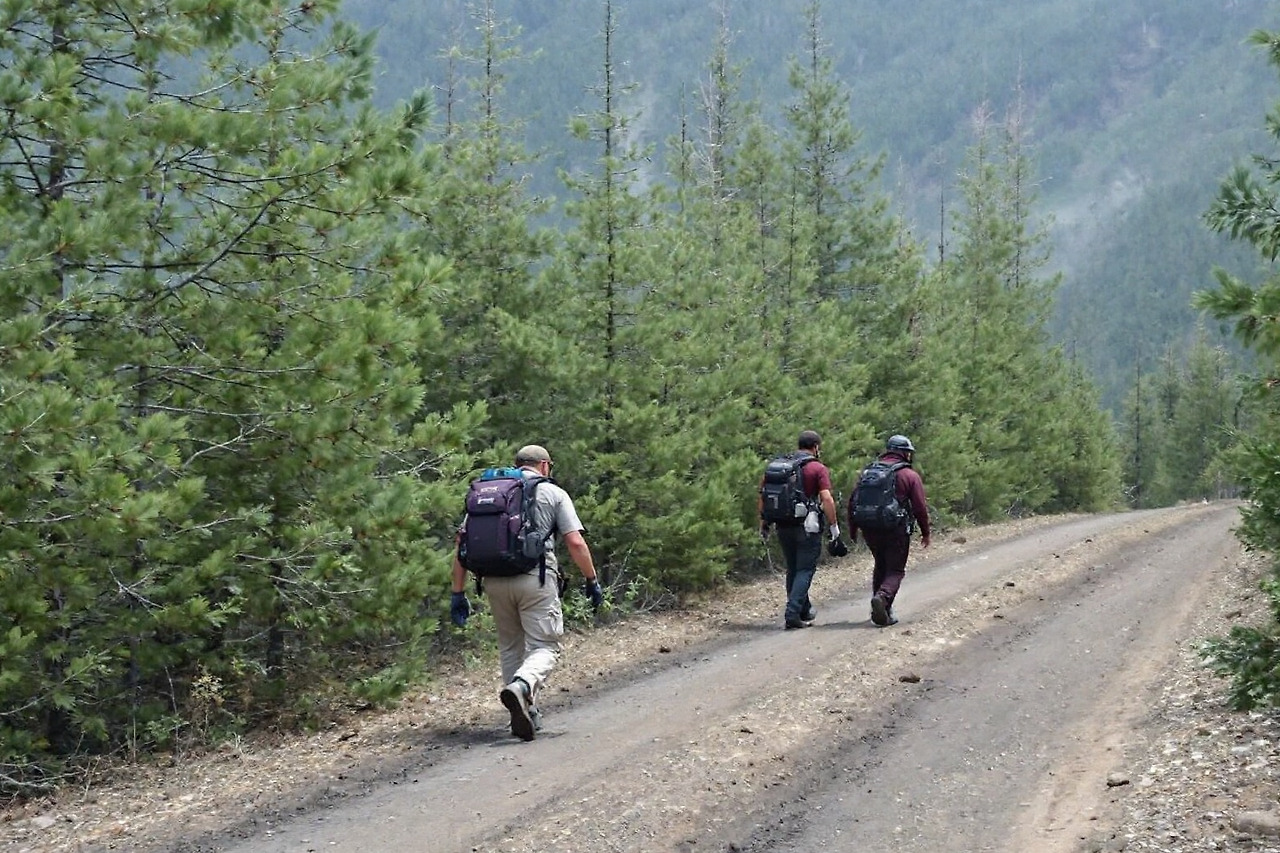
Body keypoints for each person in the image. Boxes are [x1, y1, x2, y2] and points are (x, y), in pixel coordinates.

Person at [449, 444, 603, 741]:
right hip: (535, 579)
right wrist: (591, 580)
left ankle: (525, 713)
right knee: (546, 646)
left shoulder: (488, 493)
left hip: (493, 581)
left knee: (510, 647)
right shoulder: (552, 493)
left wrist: (458, 592)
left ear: (517, 463)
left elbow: (461, 546)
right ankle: (523, 686)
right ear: (544, 465)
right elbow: (575, 542)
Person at [759, 430, 840, 630]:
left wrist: (764, 522)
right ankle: (792, 613)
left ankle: (802, 610)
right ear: (816, 447)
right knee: (805, 570)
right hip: (807, 526)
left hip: (782, 525)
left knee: (793, 569)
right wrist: (834, 526)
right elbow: (827, 499)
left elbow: (763, 494)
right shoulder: (816, 468)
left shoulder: (780, 466)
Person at [848, 434, 931, 627]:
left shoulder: (868, 472)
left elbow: (853, 501)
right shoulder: (909, 475)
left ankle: (882, 609)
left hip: (869, 528)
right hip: (896, 529)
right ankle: (883, 599)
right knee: (895, 570)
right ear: (905, 453)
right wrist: (925, 532)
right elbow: (919, 507)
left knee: (880, 564)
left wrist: (853, 528)